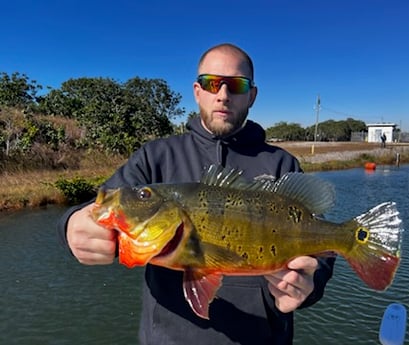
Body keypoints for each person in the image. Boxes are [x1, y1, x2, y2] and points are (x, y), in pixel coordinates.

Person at [57, 43, 335, 345]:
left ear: (252, 95)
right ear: (196, 91)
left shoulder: (281, 163)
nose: (223, 94)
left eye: (236, 85)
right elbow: (102, 203)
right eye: (211, 83)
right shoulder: (155, 157)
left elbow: (319, 242)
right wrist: (71, 224)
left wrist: (310, 283)